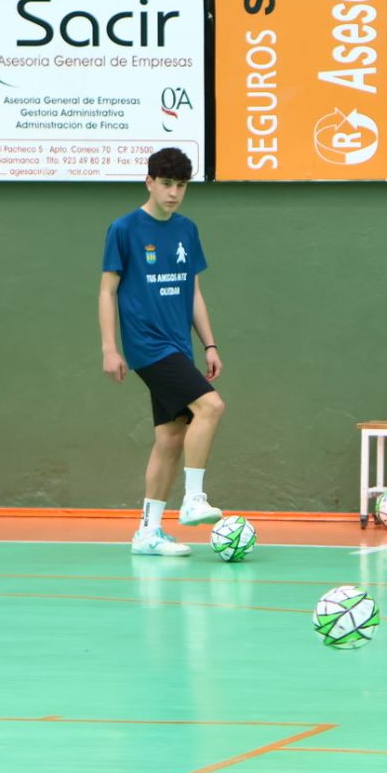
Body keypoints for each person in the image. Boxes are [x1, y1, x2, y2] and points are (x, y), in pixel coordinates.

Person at [99, 147, 224, 557]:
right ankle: (193, 498)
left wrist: (209, 343)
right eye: (166, 184)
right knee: (211, 407)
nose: (173, 193)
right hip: (147, 346)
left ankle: (148, 532)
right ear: (149, 181)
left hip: (177, 345)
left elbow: (194, 293)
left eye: (181, 185)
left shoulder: (187, 230)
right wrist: (109, 348)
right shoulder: (124, 229)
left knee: (170, 438)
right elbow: (107, 290)